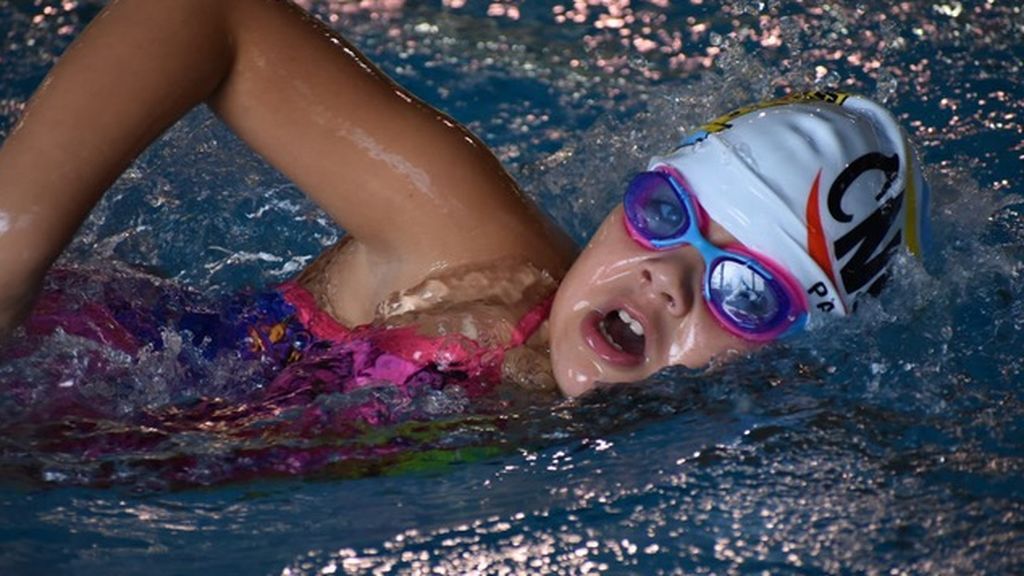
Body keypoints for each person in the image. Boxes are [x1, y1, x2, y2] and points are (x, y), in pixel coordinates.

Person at [0, 0, 929, 400]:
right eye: (662, 215)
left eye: (746, 292)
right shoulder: (474, 260)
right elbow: (203, 16)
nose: (665, 278)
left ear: (811, 351)